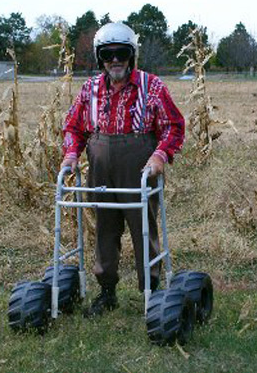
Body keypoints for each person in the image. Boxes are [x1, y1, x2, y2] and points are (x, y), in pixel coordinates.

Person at [61, 22, 185, 317]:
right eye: (108, 54)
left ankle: (150, 293)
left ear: (132, 55)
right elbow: (73, 127)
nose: (115, 60)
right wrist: (71, 154)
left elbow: (173, 126)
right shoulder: (89, 89)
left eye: (121, 53)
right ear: (99, 57)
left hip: (139, 163)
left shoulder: (151, 86)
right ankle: (107, 292)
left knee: (143, 227)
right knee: (105, 228)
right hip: (101, 164)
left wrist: (159, 156)